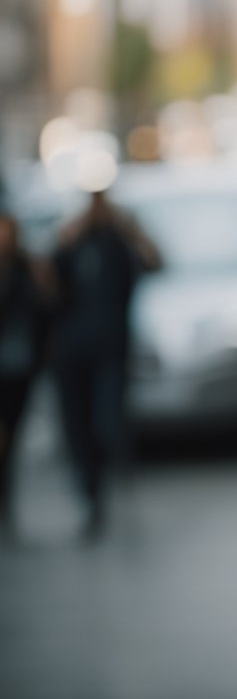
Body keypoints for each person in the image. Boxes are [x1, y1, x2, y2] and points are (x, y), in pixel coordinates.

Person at [49, 189, 161, 537]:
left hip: (110, 348)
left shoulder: (120, 243)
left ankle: (117, 476)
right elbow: (49, 283)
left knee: (107, 419)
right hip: (71, 351)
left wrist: (129, 230)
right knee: (77, 424)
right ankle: (91, 494)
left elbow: (155, 262)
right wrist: (67, 237)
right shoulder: (73, 243)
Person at [0, 212, 51, 536]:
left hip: (19, 366)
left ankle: (6, 504)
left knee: (11, 439)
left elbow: (48, 304)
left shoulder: (26, 267)